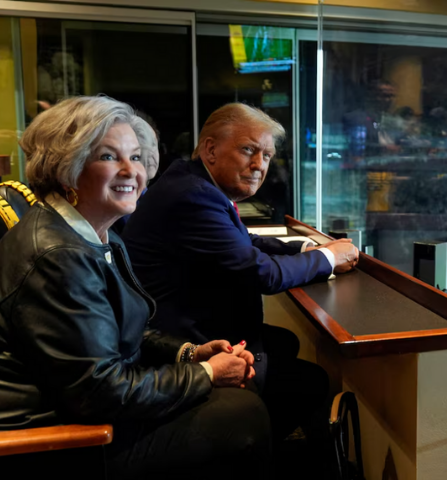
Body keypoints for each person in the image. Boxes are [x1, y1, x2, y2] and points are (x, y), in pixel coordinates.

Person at [0, 96, 270, 479]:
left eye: (137, 157)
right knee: (243, 414)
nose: (132, 171)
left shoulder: (97, 232)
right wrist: (208, 373)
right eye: (110, 157)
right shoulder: (58, 256)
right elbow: (100, 392)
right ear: (67, 168)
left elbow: (121, 331)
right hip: (61, 440)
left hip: (81, 411)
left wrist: (189, 353)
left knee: (240, 399)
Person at [122, 103, 358, 456]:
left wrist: (308, 246)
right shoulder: (193, 195)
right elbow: (260, 273)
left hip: (183, 322)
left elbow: (243, 241)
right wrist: (327, 257)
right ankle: (241, 450)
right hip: (179, 341)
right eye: (249, 150)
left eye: (267, 155)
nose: (260, 165)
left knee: (283, 344)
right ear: (211, 149)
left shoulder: (193, 182)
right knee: (311, 382)